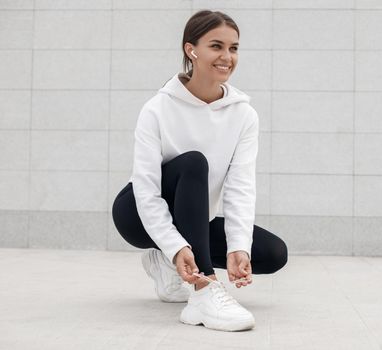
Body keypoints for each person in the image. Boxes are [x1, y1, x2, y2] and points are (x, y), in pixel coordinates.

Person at [111, 10, 288, 332]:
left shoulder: (244, 115)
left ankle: (166, 261)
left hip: (191, 217)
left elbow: (240, 186)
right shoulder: (158, 108)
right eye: (216, 46)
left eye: (233, 48)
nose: (227, 57)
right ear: (191, 50)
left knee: (272, 253)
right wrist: (175, 244)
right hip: (137, 212)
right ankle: (203, 290)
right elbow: (147, 189)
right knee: (194, 162)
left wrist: (238, 247)